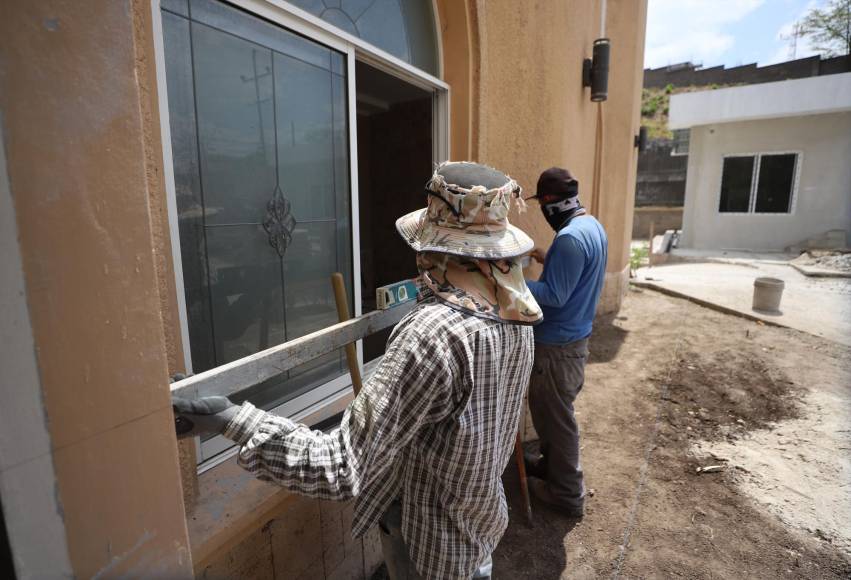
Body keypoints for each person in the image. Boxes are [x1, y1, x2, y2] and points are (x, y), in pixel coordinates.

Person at [172, 162, 542, 580]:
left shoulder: (433, 335)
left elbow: (341, 466)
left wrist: (229, 419)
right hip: (477, 526)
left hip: (431, 548)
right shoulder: (516, 310)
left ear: (437, 250)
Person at [523, 167, 608, 518]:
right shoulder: (591, 227)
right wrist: (549, 259)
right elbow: (577, 272)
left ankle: (567, 495)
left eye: (541, 204)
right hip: (573, 340)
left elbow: (555, 295)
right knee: (550, 416)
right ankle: (549, 467)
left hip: (557, 349)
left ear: (549, 204)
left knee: (557, 421)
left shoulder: (570, 239)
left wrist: (508, 279)